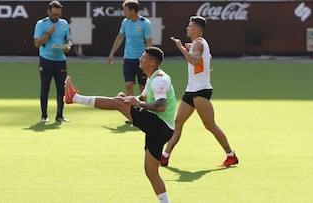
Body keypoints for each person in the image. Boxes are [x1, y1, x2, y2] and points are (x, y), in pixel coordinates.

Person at [65, 47, 174, 203]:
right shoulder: (152, 78)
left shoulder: (159, 80)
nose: (140, 58)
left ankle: (74, 98)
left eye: (143, 56)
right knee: (151, 172)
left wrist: (137, 104)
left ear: (151, 62)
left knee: (117, 103)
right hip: (160, 128)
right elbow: (141, 98)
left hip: (160, 125)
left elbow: (161, 105)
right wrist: (130, 99)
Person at [160, 16, 238, 167]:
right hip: (192, 89)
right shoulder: (199, 44)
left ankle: (231, 155)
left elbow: (195, 61)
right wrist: (192, 50)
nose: (187, 28)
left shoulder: (198, 43)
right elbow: (207, 57)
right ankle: (165, 156)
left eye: (189, 26)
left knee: (210, 125)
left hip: (201, 90)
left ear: (196, 29)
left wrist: (181, 48)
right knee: (178, 123)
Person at [33, 1, 72, 123]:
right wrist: (48, 33)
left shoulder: (64, 23)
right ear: (48, 12)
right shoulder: (41, 24)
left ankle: (59, 115)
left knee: (61, 89)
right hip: (46, 60)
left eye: (58, 14)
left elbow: (68, 39)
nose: (56, 17)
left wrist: (68, 46)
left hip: (60, 60)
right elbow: (37, 43)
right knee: (45, 88)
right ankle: (44, 115)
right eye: (54, 14)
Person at [108, 0, 152, 96]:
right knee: (128, 85)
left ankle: (143, 108)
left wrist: (149, 59)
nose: (124, 12)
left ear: (133, 10)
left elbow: (149, 43)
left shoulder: (145, 23)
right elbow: (120, 37)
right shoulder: (125, 22)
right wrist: (112, 53)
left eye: (126, 10)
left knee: (142, 87)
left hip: (142, 60)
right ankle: (130, 110)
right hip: (128, 59)